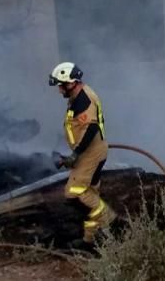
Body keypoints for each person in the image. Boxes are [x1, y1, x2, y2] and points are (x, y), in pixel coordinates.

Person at [49, 61, 115, 246]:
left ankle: (110, 220)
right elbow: (78, 126)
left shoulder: (84, 100)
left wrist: (75, 155)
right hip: (90, 151)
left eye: (61, 85)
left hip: (90, 153)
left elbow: (91, 128)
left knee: (75, 193)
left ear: (71, 83)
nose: (60, 90)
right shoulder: (77, 97)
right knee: (90, 193)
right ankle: (90, 240)